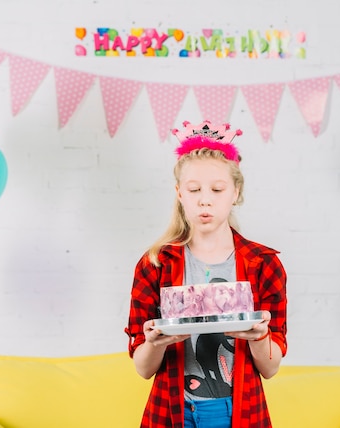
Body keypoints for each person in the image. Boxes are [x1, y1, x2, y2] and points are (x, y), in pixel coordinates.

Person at [125, 120, 288, 428]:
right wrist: (155, 342)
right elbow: (143, 369)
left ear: (235, 191)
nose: (205, 199)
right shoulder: (155, 264)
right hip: (172, 411)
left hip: (238, 411)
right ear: (179, 193)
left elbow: (270, 368)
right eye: (194, 189)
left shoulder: (264, 264)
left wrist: (259, 336)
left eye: (217, 189)